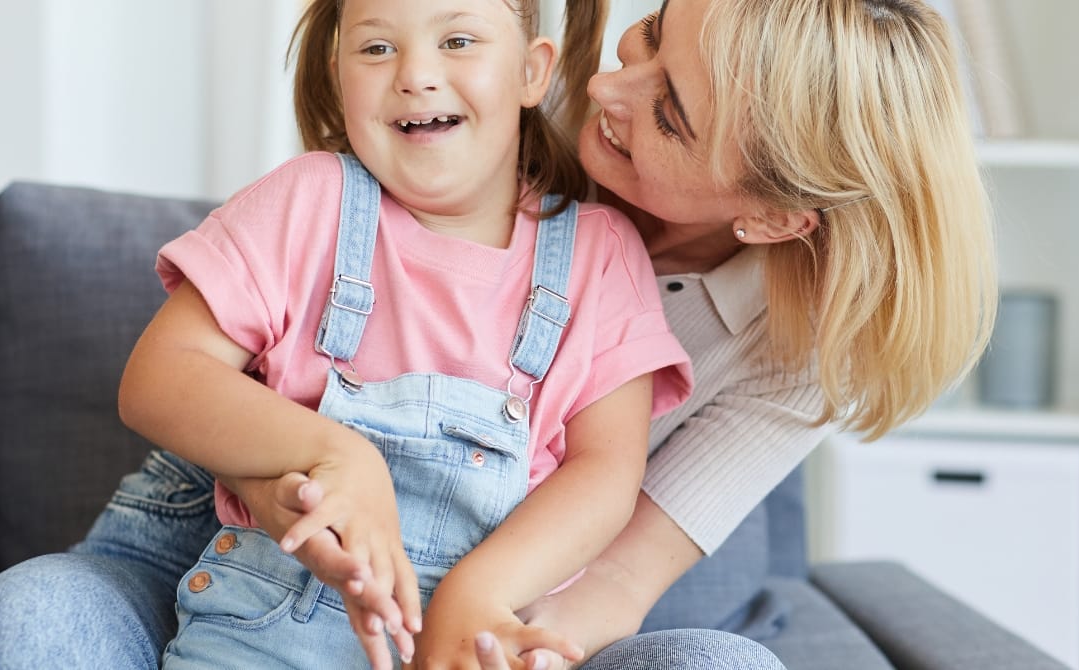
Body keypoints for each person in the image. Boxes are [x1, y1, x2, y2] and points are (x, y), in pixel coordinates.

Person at [0, 0, 993, 668]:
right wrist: (309, 461)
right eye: (650, 30)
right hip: (240, 530)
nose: (604, 88)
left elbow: (610, 546)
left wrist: (484, 628)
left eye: (669, 111)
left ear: (769, 216)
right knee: (36, 619)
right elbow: (190, 374)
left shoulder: (672, 301)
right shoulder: (374, 172)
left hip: (488, 589)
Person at [114, 0, 692, 667]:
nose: (415, 74)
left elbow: (606, 472)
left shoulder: (600, 254)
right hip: (265, 632)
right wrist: (342, 455)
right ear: (338, 77)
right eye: (377, 49)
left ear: (532, 73)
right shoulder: (307, 201)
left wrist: (476, 595)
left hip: (473, 635)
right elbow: (157, 378)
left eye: (458, 39)